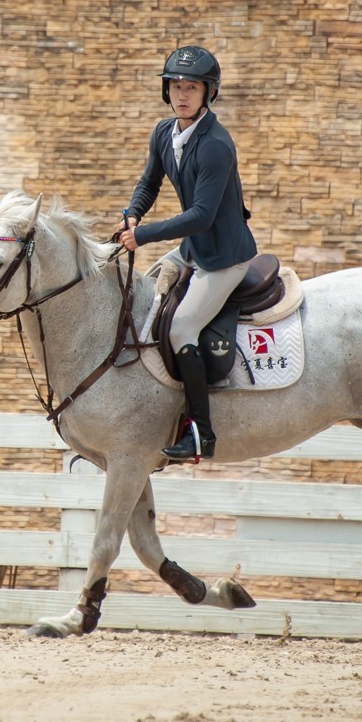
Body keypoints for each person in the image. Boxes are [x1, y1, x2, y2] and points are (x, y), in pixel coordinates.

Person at [119, 46, 257, 460]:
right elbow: (149, 183)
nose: (182, 95)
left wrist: (144, 235)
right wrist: (133, 213)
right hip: (192, 248)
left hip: (223, 257)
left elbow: (200, 215)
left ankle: (201, 433)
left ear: (208, 93)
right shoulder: (164, 133)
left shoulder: (216, 145)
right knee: (143, 296)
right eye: (176, 86)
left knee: (181, 329)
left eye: (192, 88)